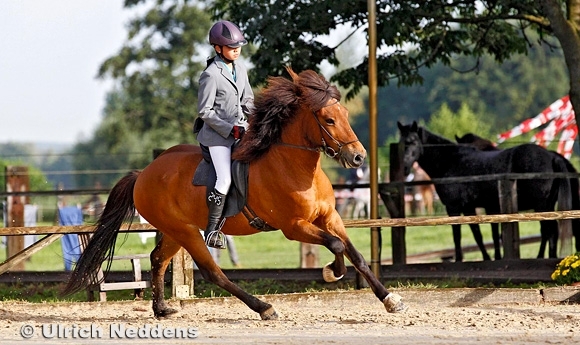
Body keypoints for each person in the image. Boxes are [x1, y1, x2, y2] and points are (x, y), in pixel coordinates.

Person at [194, 20, 254, 249]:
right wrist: (230, 129)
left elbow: (247, 100)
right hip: (217, 137)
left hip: (241, 129)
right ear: (218, 48)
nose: (236, 50)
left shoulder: (240, 69)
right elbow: (205, 112)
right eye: (231, 47)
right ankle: (211, 229)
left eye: (238, 46)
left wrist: (259, 119)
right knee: (225, 178)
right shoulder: (210, 75)